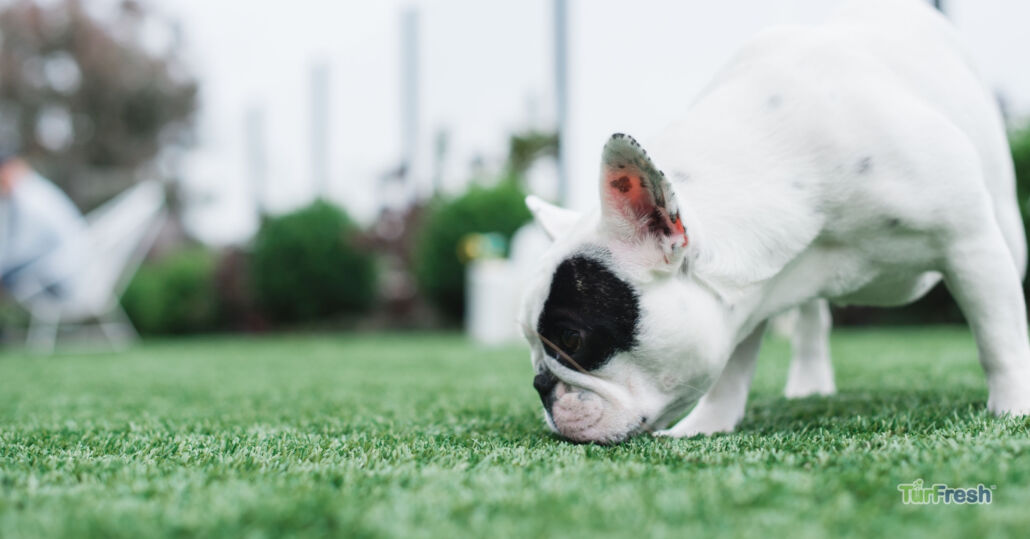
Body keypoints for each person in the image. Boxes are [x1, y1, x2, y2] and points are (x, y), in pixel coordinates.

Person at [0, 146, 89, 300]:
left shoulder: (30, 200)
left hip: (65, 281)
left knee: (8, 274)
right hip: (74, 274)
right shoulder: (35, 190)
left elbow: (19, 249)